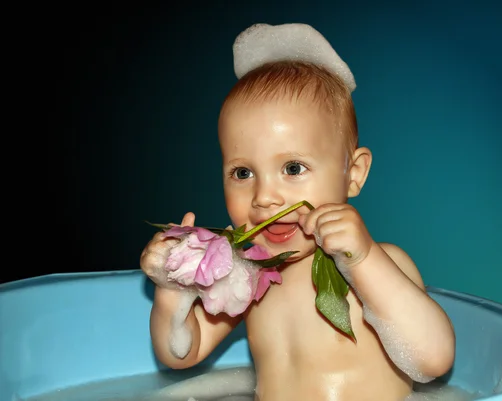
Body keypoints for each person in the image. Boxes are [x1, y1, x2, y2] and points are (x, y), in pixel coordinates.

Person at [140, 23, 455, 401]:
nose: (265, 197)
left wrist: (364, 260)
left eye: (292, 168)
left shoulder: (382, 263)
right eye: (243, 173)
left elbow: (432, 361)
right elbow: (181, 354)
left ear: (353, 175)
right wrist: (174, 293)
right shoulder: (247, 276)